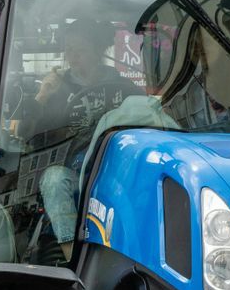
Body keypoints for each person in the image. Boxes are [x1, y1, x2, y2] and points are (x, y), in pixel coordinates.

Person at [13, 20, 142, 261]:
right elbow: (24, 133)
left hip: (116, 168)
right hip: (73, 172)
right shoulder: (56, 88)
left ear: (97, 50)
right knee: (53, 179)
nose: (72, 56)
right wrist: (42, 97)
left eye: (79, 50)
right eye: (68, 49)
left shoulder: (123, 86)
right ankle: (73, 257)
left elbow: (144, 113)